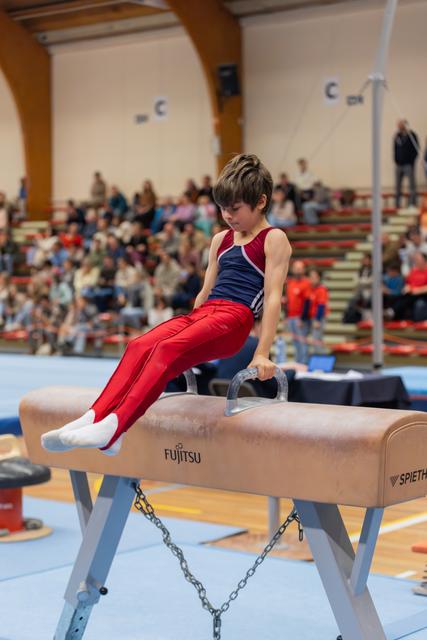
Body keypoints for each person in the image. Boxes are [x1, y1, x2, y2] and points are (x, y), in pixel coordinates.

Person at [41, 153, 292, 455]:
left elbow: (274, 296)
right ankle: (94, 417)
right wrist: (189, 322)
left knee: (166, 349)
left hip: (235, 320)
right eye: (223, 208)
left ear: (261, 202)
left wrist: (262, 353)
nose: (227, 215)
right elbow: (205, 291)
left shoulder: (273, 238)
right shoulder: (221, 239)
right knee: (139, 345)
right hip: (206, 313)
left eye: (235, 208)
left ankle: (115, 427)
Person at [285, 260, 310, 364]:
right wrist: (286, 316)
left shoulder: (306, 283)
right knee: (295, 342)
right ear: (292, 269)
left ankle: (303, 363)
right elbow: (287, 300)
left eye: (300, 268)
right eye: (296, 268)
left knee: (302, 342)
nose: (298, 270)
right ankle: (298, 362)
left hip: (299, 318)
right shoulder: (290, 282)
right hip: (290, 317)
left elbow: (307, 302)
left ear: (303, 270)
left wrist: (302, 318)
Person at [394, 119, 419, 208]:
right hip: (399, 164)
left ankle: (412, 204)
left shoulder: (412, 136)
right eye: (398, 125)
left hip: (408, 164)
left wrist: (411, 161)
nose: (399, 127)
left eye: (401, 125)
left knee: (411, 186)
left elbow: (416, 150)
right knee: (397, 186)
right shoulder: (397, 136)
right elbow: (395, 150)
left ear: (405, 125)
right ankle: (397, 205)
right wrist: (396, 160)